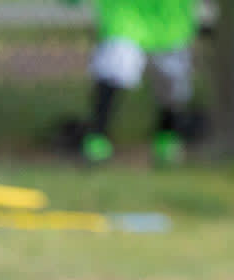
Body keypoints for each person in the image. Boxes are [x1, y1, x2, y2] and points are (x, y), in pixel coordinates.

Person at [67, 0, 198, 164]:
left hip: (170, 21)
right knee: (115, 68)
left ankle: (167, 133)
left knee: (172, 86)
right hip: (124, 15)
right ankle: (97, 136)